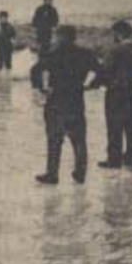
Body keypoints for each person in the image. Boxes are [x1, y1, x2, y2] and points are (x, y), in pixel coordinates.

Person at [31, 24, 101, 185]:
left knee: (54, 139)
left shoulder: (53, 54)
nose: (54, 38)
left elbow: (35, 71)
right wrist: (92, 85)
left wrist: (41, 89)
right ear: (74, 37)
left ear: (61, 37)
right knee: (79, 139)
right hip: (76, 100)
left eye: (56, 35)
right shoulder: (85, 54)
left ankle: (52, 174)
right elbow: (101, 71)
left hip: (56, 100)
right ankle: (80, 173)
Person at [97, 20, 132, 170]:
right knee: (131, 127)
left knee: (114, 127)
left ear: (118, 34)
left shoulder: (114, 51)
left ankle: (114, 159)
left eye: (114, 34)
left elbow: (105, 71)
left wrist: (95, 84)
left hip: (115, 93)